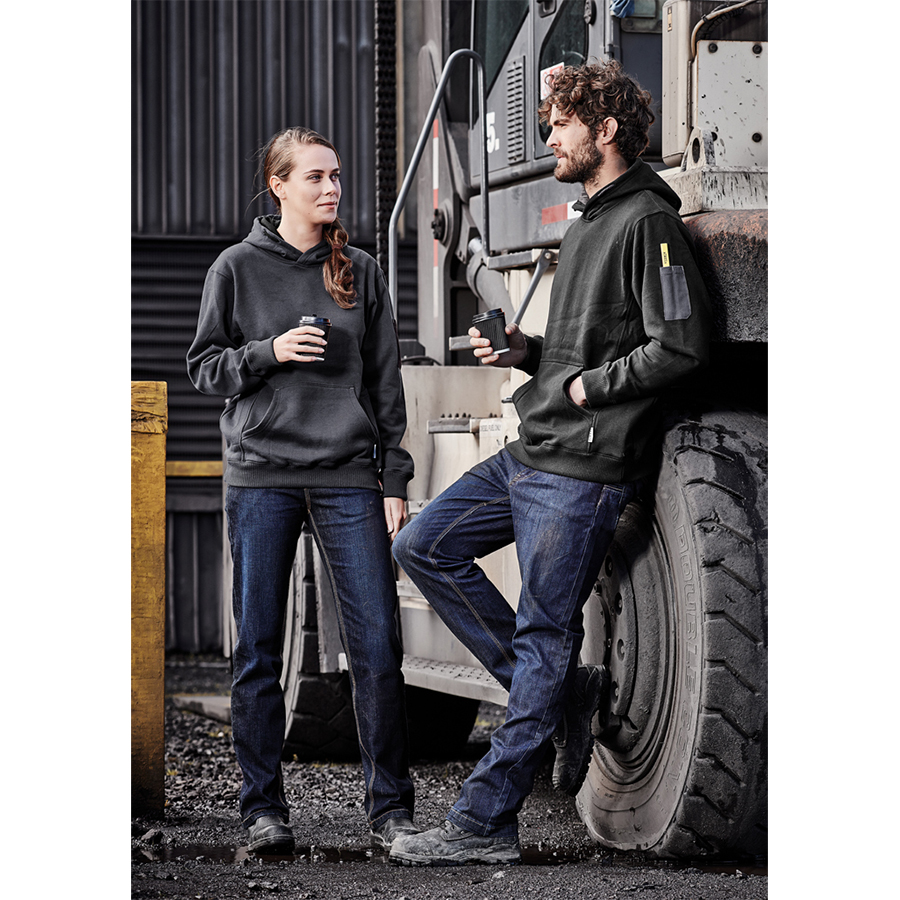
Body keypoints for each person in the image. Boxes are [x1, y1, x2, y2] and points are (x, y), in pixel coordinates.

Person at [389, 61, 711, 867]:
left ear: (605, 131)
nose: (549, 140)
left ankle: (483, 822)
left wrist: (589, 386)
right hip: (536, 449)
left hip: (581, 470)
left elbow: (680, 346)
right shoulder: (589, 220)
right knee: (423, 546)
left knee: (542, 636)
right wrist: (525, 351)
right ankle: (566, 694)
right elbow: (585, 346)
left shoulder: (648, 223)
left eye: (560, 124)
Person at [187, 126, 420, 854]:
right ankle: (263, 812)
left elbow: (386, 383)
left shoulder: (362, 271)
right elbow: (204, 367)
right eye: (315, 176)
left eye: (336, 175)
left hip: (348, 476)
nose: (331, 188)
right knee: (258, 646)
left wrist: (393, 475)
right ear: (278, 185)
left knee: (378, 646)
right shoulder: (236, 267)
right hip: (262, 474)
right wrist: (270, 351)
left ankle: (391, 814)